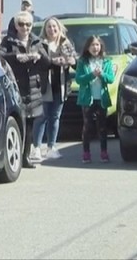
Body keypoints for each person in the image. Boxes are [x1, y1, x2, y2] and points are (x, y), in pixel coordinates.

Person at [0, 11, 46, 168]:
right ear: (16, 25)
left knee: (30, 124)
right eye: (22, 24)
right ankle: (15, 156)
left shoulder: (37, 41)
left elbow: (48, 62)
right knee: (18, 122)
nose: (25, 27)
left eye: (28, 25)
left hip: (33, 89)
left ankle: (26, 157)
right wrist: (16, 58)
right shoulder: (8, 41)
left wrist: (38, 57)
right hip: (16, 85)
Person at [33, 16, 77, 161]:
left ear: (59, 29)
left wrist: (71, 61)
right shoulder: (40, 44)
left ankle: (52, 147)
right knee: (41, 117)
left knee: (55, 117)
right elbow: (39, 62)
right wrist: (53, 62)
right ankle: (37, 148)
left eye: (54, 27)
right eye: (49, 27)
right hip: (45, 85)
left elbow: (75, 61)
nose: (52, 30)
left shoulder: (66, 43)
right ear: (45, 30)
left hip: (61, 84)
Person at [74, 35, 115, 164]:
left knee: (102, 127)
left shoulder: (106, 61)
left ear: (101, 46)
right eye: (92, 45)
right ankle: (86, 152)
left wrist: (102, 74)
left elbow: (111, 78)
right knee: (88, 126)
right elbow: (79, 79)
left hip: (101, 98)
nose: (95, 47)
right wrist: (92, 75)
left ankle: (104, 152)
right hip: (87, 99)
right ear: (87, 47)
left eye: (97, 45)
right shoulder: (83, 61)